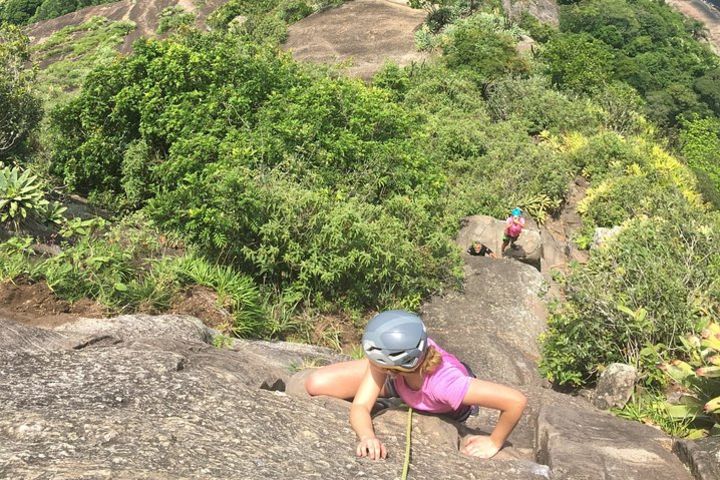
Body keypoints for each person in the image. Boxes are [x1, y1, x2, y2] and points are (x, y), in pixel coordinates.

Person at [304, 310, 527, 460]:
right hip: (402, 381)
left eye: (377, 362)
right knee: (316, 383)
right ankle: (395, 395)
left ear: (390, 366)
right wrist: (367, 436)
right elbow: (361, 406)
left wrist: (495, 441)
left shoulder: (446, 385)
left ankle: (396, 395)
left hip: (433, 399)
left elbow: (515, 401)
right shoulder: (398, 358)